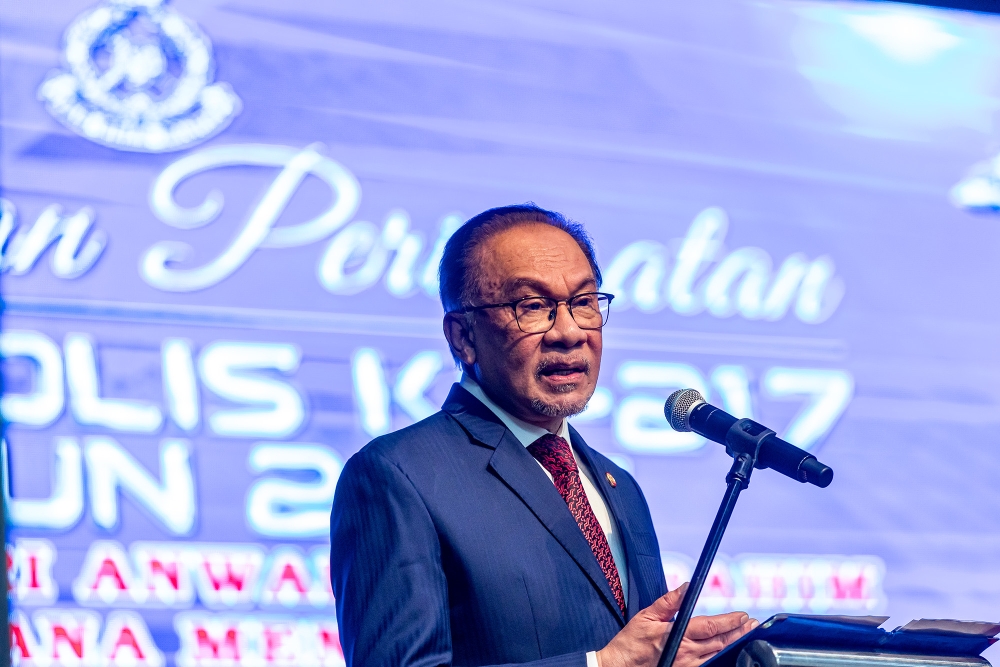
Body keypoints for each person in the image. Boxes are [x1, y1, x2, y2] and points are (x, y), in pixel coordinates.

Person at [330, 205, 757, 667]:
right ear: (463, 337)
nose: (569, 332)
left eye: (584, 302)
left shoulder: (620, 486)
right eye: (532, 307)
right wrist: (601, 665)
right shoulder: (397, 476)